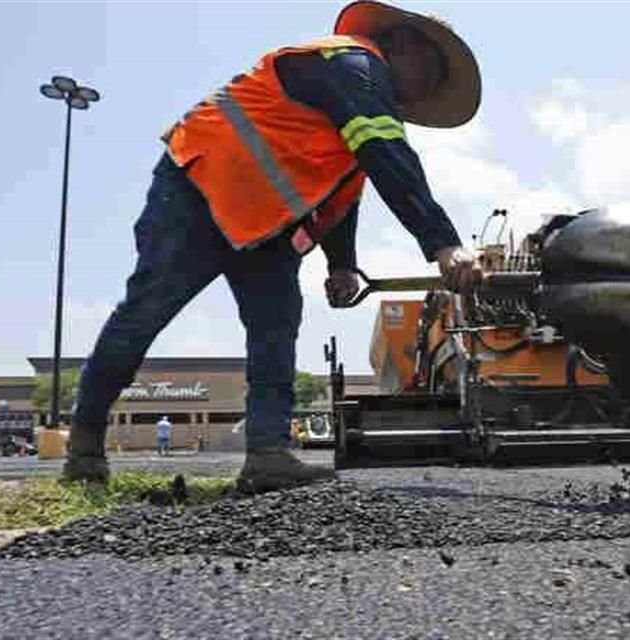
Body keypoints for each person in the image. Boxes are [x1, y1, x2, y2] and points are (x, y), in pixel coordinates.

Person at [62, 0, 484, 492]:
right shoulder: (350, 62)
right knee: (144, 312)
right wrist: (444, 244)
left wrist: (342, 265)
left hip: (265, 228)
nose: (427, 91)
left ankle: (267, 455)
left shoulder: (366, 96)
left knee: (276, 328)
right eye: (430, 76)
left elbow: (344, 193)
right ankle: (84, 447)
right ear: (405, 46)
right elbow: (385, 155)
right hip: (199, 190)